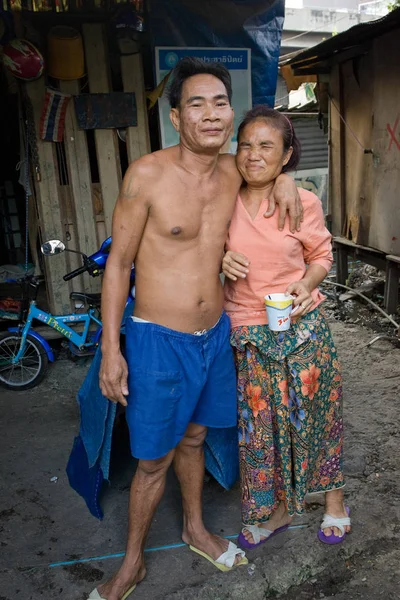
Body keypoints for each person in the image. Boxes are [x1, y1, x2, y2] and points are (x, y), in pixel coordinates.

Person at [88, 59, 302, 600]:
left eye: (219, 103)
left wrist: (288, 180)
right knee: (152, 458)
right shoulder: (147, 176)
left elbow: (272, 165)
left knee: (197, 437)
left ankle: (194, 529)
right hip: (158, 338)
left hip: (215, 334)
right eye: (196, 104)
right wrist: (111, 350)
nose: (210, 114)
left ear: (230, 113)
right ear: (177, 116)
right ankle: (131, 563)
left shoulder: (236, 171)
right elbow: (118, 265)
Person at [222, 106, 351, 552]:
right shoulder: (221, 197)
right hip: (248, 331)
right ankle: (277, 510)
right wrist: (218, 261)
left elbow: (322, 256)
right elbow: (196, 248)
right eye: (246, 145)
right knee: (262, 430)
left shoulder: (303, 200)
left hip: (302, 329)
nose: (253, 155)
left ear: (286, 156)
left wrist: (305, 284)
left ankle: (334, 501)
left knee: (317, 419)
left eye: (266, 147)